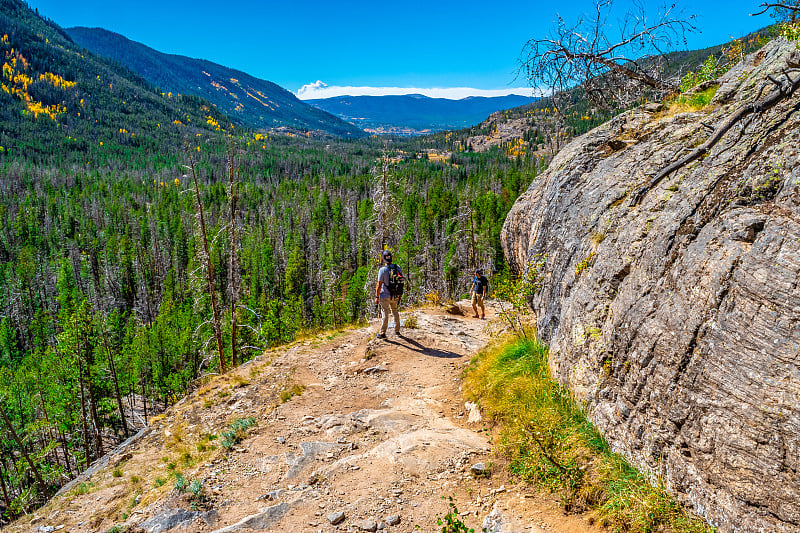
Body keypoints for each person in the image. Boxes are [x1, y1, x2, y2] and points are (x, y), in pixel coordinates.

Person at [375, 250, 403, 338]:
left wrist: (377, 296)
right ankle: (397, 330)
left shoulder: (382, 270)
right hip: (395, 294)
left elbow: (379, 284)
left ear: (383, 259)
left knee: (385, 313)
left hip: (385, 296)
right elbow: (401, 281)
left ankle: (383, 332)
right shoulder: (397, 267)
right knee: (395, 311)